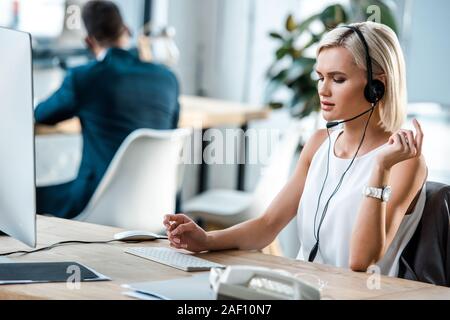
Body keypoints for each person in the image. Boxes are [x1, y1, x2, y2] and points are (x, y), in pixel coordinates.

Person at [163, 21, 427, 276]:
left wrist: (380, 167)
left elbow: (360, 262)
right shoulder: (318, 144)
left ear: (376, 86)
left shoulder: (404, 162)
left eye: (338, 79)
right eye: (320, 77)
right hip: (305, 289)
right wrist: (206, 239)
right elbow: (267, 225)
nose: (323, 90)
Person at [35, 0, 180, 219]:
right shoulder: (168, 78)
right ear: (128, 31)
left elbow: (42, 115)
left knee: (21, 197)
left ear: (88, 41)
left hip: (96, 201)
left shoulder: (85, 77)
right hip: (156, 205)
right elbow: (172, 126)